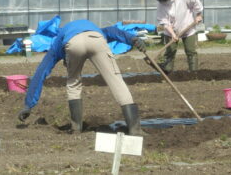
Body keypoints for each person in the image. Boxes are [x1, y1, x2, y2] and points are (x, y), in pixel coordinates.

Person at [17, 19, 147, 136]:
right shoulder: (93, 27)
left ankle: (76, 129)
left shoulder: (57, 43)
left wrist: (28, 105)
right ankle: (135, 129)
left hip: (72, 44)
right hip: (95, 38)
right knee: (116, 80)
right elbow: (113, 31)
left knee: (73, 83)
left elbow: (41, 71)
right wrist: (133, 39)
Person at [154, 0, 203, 74]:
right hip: (170, 30)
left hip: (187, 27)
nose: (163, 2)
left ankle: (194, 72)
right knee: (170, 51)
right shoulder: (161, 3)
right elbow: (163, 21)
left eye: (164, 0)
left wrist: (198, 15)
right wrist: (172, 34)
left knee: (190, 51)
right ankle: (167, 71)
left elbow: (197, 4)